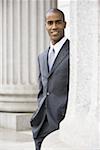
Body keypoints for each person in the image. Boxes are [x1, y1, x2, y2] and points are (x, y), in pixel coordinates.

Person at [30, 8, 70, 150]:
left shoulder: (73, 52)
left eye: (58, 22)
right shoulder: (42, 56)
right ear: (46, 25)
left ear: (65, 24)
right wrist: (36, 115)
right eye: (50, 23)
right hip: (41, 123)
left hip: (62, 121)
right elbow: (42, 89)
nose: (54, 27)